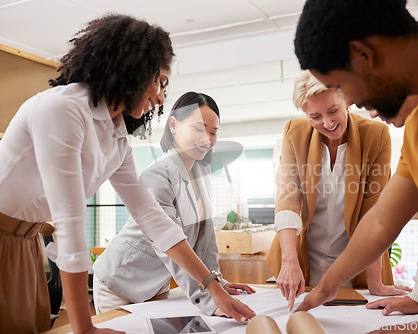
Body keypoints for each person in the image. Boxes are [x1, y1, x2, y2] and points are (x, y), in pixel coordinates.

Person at [0, 14, 254, 334]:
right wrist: (84, 328)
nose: (162, 98)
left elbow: (155, 221)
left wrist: (212, 285)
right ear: (133, 67)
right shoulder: (62, 109)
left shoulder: (117, 138)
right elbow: (70, 222)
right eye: (160, 81)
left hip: (27, 243)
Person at [292, 0, 418, 324]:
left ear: (363, 55)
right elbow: (380, 222)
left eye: (343, 86)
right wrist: (326, 288)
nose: (351, 103)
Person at [93, 91, 256, 315]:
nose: (207, 139)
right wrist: (209, 298)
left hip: (155, 285)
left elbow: (205, 239)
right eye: (199, 129)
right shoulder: (158, 175)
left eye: (213, 132)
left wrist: (218, 282)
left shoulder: (201, 170)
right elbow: (167, 242)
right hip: (120, 282)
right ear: (173, 125)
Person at [266, 70, 410, 311]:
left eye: (333, 111)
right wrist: (290, 262)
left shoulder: (376, 135)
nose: (328, 122)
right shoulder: (294, 132)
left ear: (347, 102)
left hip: (355, 265)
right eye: (315, 116)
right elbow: (287, 198)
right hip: (302, 261)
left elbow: (374, 211)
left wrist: (375, 282)